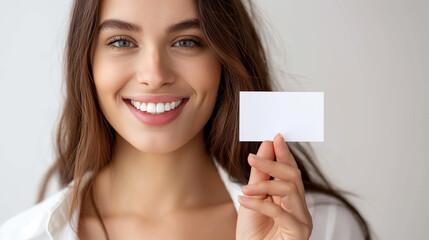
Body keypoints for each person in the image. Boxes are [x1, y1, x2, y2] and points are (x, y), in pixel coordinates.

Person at [0, 0, 372, 239]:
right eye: (121, 42)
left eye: (187, 42)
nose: (155, 74)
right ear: (87, 64)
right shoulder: (21, 235)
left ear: (224, 61)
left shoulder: (325, 228)